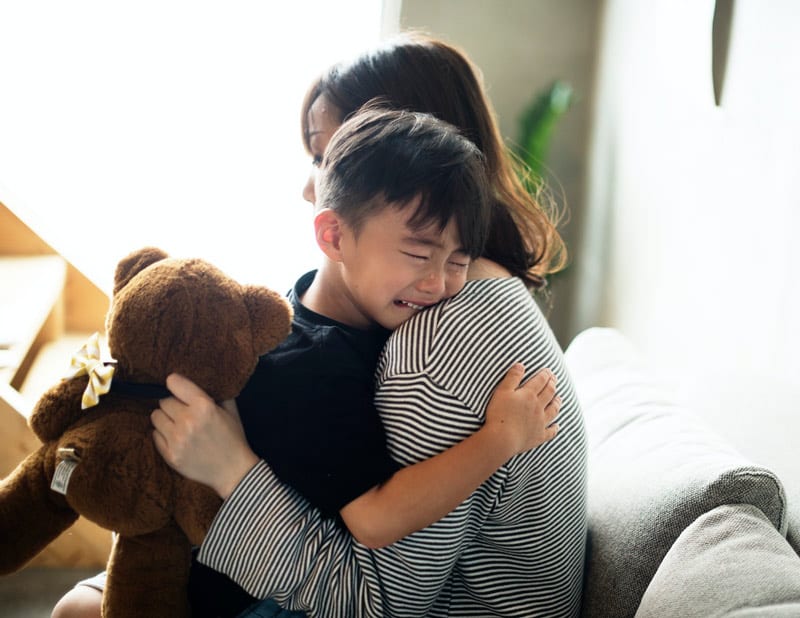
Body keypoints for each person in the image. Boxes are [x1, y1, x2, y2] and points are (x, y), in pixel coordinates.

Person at [54, 31, 587, 618]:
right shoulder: (428, 294)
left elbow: (374, 603)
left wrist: (230, 468)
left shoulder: (438, 342)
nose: (309, 186)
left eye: (328, 158)